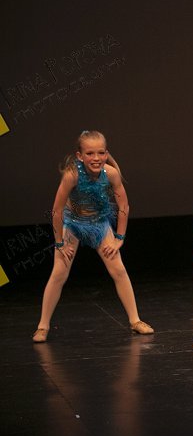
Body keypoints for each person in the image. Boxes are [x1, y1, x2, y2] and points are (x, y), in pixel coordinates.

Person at [32, 130, 153, 343]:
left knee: (118, 270)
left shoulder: (111, 174)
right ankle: (43, 326)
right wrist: (59, 243)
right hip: (73, 224)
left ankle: (135, 320)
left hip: (99, 223)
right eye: (90, 153)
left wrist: (119, 238)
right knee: (59, 273)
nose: (96, 158)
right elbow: (57, 211)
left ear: (106, 153)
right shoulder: (72, 175)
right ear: (80, 156)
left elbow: (123, 206)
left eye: (100, 153)